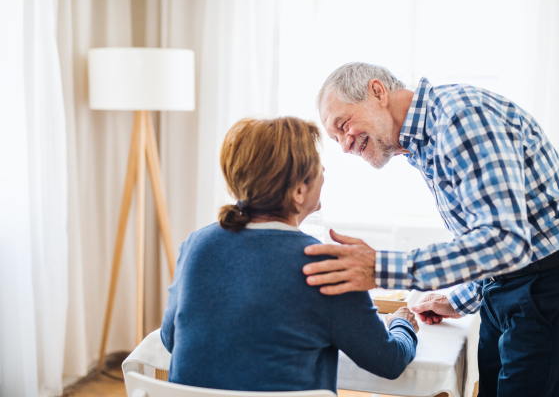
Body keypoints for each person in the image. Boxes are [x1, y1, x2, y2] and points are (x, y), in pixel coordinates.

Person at [303, 62, 559, 397]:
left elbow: (505, 241)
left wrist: (379, 268)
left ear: (377, 92)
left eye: (343, 126)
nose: (344, 145)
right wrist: (461, 300)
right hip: (511, 283)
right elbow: (488, 236)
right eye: (335, 138)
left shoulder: (459, 118)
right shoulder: (424, 142)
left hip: (554, 285)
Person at [160, 116, 419, 393]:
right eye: (316, 163)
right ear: (298, 191)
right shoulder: (328, 264)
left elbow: (170, 337)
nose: (323, 169)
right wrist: (402, 323)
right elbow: (388, 362)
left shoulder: (197, 244)